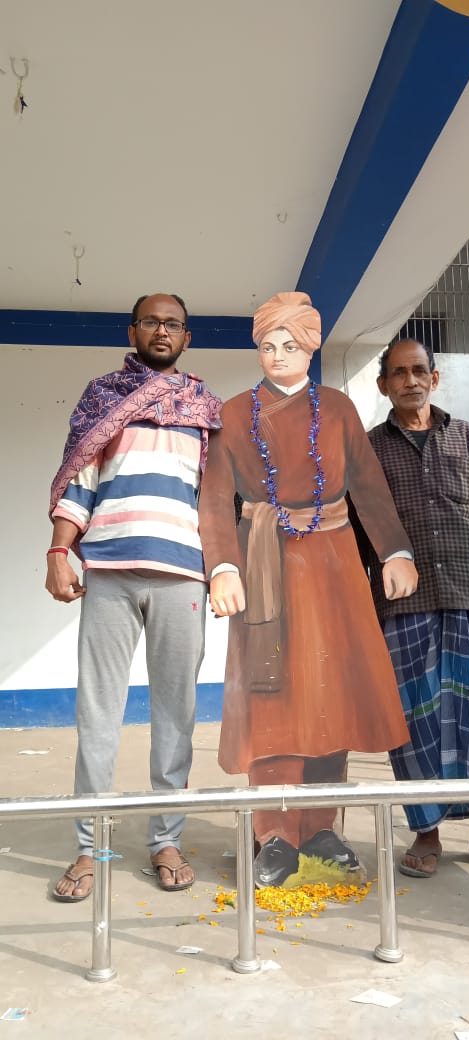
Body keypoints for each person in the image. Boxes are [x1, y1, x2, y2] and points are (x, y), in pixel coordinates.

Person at [197, 291, 418, 888]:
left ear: (311, 349)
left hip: (334, 565)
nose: (278, 355)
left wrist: (395, 552)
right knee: (273, 697)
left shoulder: (339, 409)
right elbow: (214, 498)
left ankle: (321, 827)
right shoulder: (233, 413)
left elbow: (368, 486)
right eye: (268, 345)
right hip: (264, 565)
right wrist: (223, 566)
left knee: (331, 694)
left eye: (290, 344)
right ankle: (274, 834)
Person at [46, 293, 222, 901]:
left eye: (173, 323)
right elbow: (80, 482)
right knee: (98, 713)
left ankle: (165, 840)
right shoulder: (103, 398)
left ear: (187, 337)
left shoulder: (206, 408)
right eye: (151, 321)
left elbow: (216, 499)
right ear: (132, 331)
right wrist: (58, 551)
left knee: (176, 714)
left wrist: (227, 569)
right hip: (110, 569)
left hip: (184, 575)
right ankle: (90, 847)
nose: (162, 330)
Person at [363, 337, 469, 878]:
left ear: (434, 378)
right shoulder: (368, 449)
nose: (410, 381)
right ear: (383, 384)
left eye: (419, 371)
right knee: (415, 719)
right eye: (399, 373)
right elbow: (361, 531)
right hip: (404, 603)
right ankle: (426, 831)